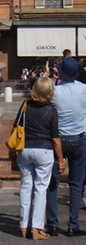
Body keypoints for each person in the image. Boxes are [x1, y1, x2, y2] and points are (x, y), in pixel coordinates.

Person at [15, 78, 64, 239]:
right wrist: (61, 159)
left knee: (26, 187)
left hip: (25, 149)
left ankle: (23, 225)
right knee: (41, 188)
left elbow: (16, 127)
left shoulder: (25, 106)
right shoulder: (51, 110)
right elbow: (55, 138)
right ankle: (36, 227)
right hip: (44, 150)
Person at [45, 57, 86, 237]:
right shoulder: (84, 90)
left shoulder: (55, 92)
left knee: (53, 183)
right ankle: (72, 225)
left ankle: (52, 224)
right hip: (79, 138)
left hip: (58, 139)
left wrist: (49, 76)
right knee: (76, 184)